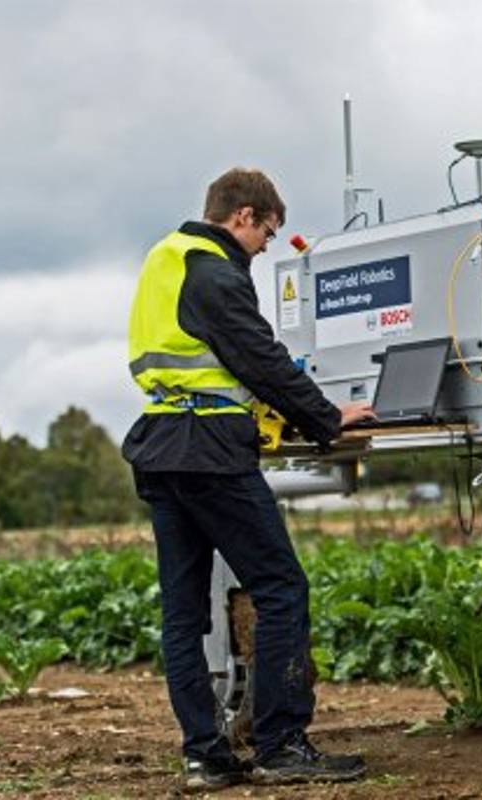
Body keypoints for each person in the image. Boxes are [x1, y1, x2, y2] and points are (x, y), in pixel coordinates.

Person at [123, 168, 377, 790]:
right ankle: (281, 745)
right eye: (268, 232)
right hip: (210, 451)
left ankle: (204, 756)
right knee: (282, 587)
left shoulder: (166, 259)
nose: (267, 246)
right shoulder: (214, 272)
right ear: (243, 216)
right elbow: (260, 358)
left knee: (184, 612)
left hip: (161, 445)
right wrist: (326, 416)